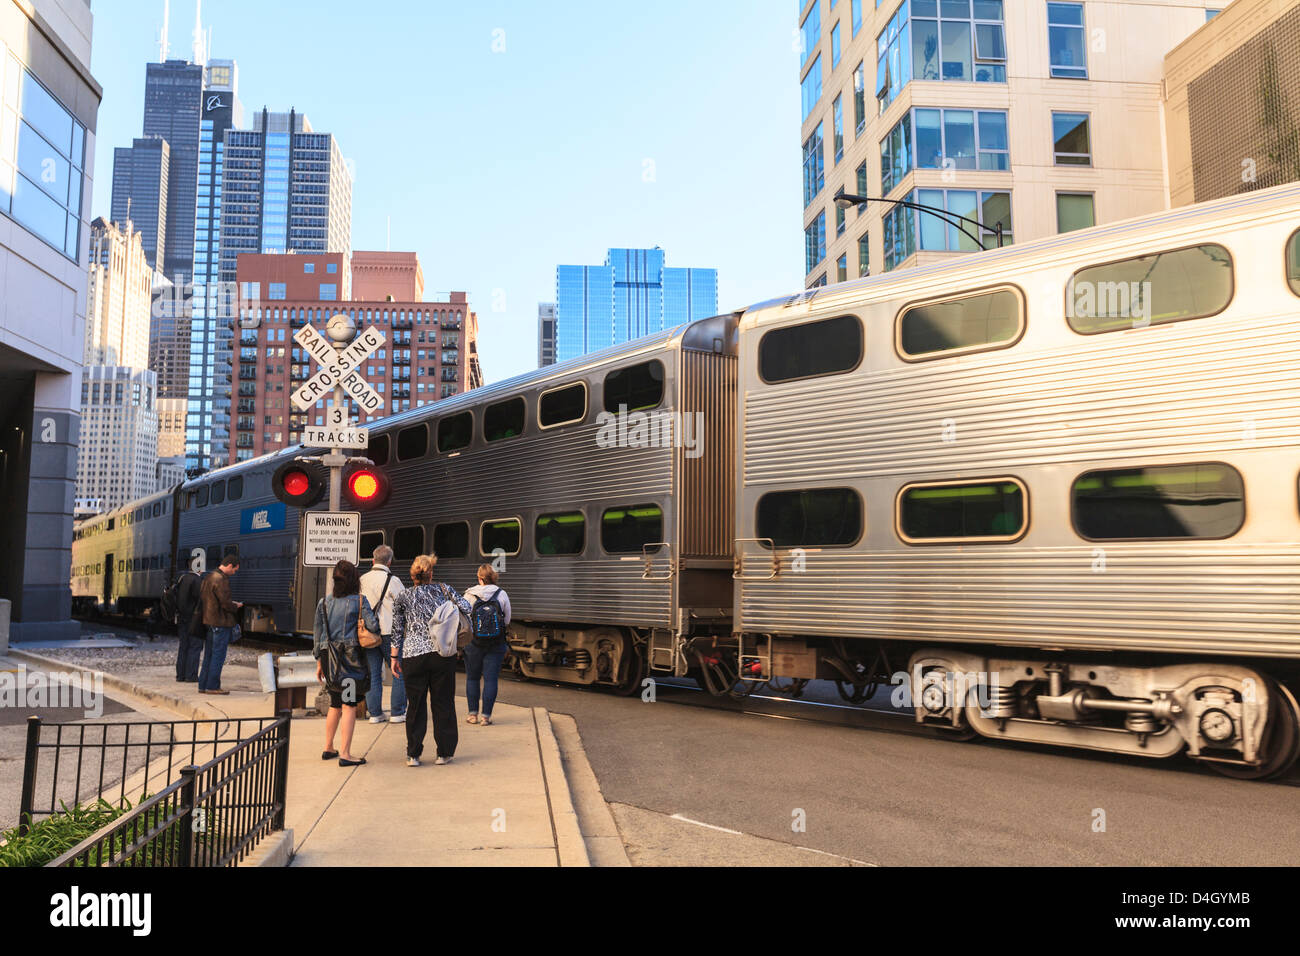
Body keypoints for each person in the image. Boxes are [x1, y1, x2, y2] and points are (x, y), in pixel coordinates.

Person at [389, 554, 471, 767]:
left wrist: (394, 657)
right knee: (443, 702)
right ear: (431, 573)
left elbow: (397, 630)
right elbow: (467, 608)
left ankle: (413, 754)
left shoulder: (403, 597)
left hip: (413, 656)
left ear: (412, 574)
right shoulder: (444, 589)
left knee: (415, 705)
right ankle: (444, 753)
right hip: (441, 654)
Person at [314, 559, 380, 767]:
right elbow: (373, 626)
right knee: (349, 705)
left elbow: (318, 635)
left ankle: (328, 747)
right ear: (354, 579)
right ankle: (345, 754)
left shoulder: (323, 602)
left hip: (329, 661)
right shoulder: (359, 601)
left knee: (335, 703)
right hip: (350, 663)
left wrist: (318, 662)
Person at [359, 544, 407, 724]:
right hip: (389, 633)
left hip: (369, 634)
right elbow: (403, 607)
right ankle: (397, 712)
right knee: (398, 671)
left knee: (373, 674)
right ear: (389, 561)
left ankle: (375, 714)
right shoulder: (393, 581)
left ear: (373, 560)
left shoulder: (362, 579)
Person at [462, 564, 512, 726]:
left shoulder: (469, 594)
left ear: (479, 578)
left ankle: (472, 715)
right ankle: (486, 717)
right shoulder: (501, 594)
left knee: (472, 678)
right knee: (491, 680)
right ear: (494, 577)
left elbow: (463, 619)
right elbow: (507, 620)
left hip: (473, 643)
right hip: (496, 643)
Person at [198, 552, 242, 695]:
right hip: (221, 622)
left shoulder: (209, 576)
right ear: (230, 565)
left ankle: (203, 685)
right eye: (234, 570)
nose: (234, 573)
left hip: (210, 621)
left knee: (209, 655)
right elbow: (225, 603)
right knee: (218, 655)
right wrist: (235, 606)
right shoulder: (221, 579)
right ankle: (213, 686)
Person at [171, 568, 203, 683]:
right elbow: (201, 601)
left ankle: (180, 675)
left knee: (183, 646)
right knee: (195, 646)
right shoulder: (197, 581)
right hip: (193, 620)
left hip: (181, 618)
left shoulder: (182, 578)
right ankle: (191, 675)